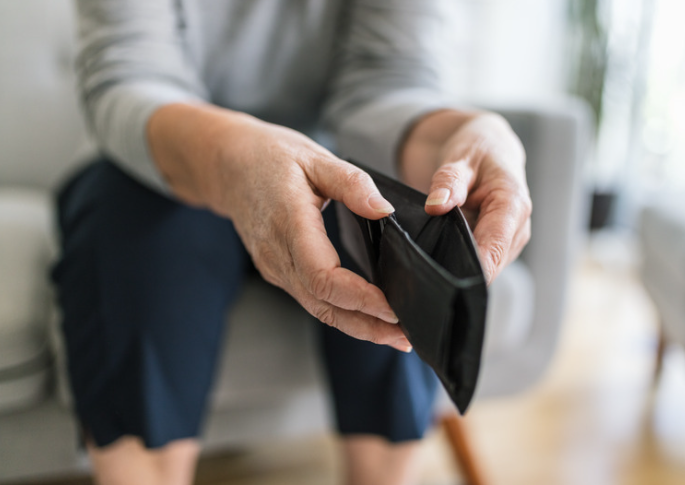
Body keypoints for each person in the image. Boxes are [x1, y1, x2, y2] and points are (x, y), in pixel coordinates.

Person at [53, 1, 532, 484]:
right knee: (140, 238)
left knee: (393, 229)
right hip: (158, 160)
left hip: (331, 161)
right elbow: (130, 76)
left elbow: (388, 80)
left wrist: (463, 132)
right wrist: (236, 154)